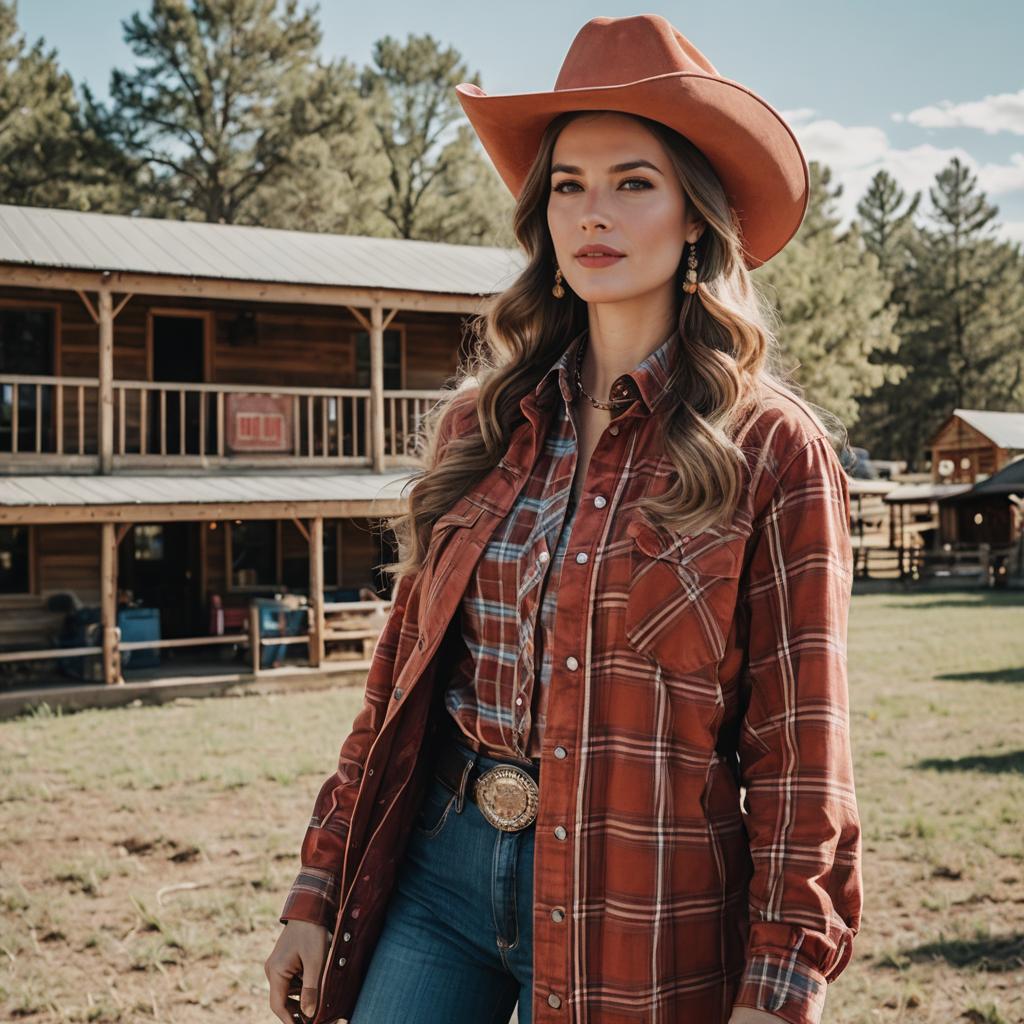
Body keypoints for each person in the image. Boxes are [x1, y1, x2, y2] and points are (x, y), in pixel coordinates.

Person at [265, 14, 862, 1024]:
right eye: (568, 185)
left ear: (694, 216)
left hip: (642, 900)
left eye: (633, 183)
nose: (594, 214)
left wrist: (780, 984)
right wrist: (318, 888)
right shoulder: (481, 425)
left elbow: (802, 754)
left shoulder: (771, 450)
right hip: (440, 871)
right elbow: (397, 682)